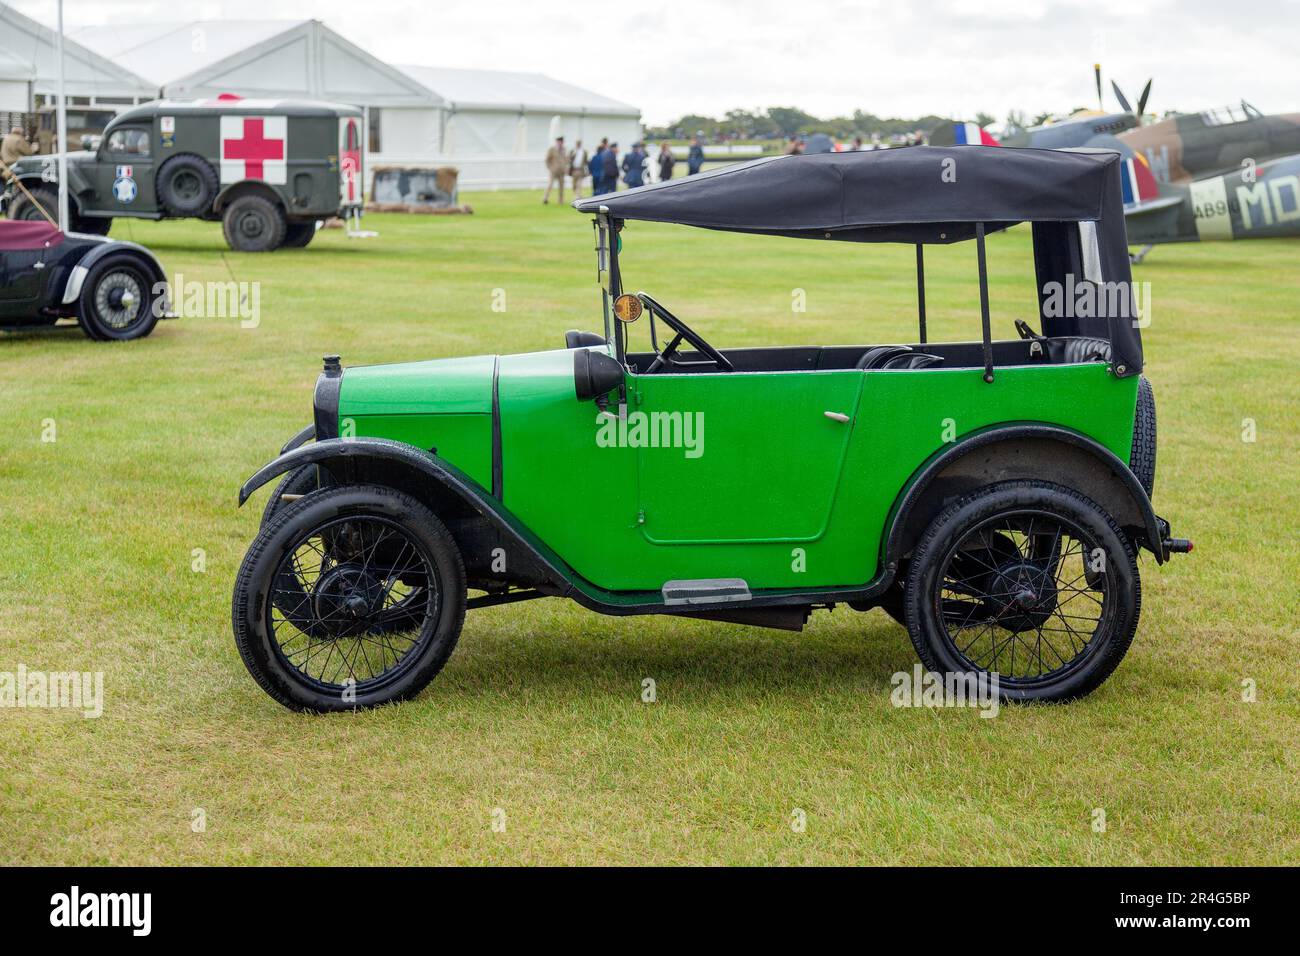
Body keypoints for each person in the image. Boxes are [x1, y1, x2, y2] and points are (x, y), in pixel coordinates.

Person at [543, 135, 568, 204]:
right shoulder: (552, 149)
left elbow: (566, 159)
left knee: (561, 187)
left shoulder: (564, 149)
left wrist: (566, 168)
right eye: (559, 141)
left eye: (561, 142)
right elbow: (547, 159)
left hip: (561, 171)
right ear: (557, 142)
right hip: (553, 171)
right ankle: (545, 198)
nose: (560, 143)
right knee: (550, 185)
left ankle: (561, 200)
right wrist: (550, 168)